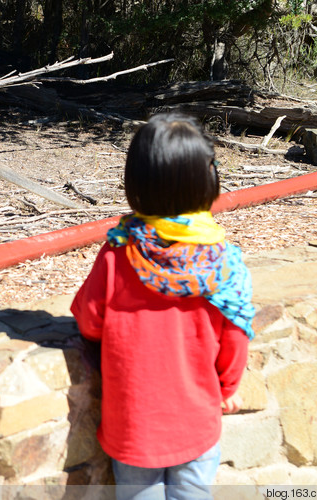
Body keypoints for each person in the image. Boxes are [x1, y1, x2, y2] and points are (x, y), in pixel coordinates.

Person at [70, 113, 255, 500]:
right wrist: (228, 387)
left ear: (135, 182)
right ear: (209, 180)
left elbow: (89, 321)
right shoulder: (222, 262)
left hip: (134, 427)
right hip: (198, 421)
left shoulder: (118, 253)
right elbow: (236, 333)